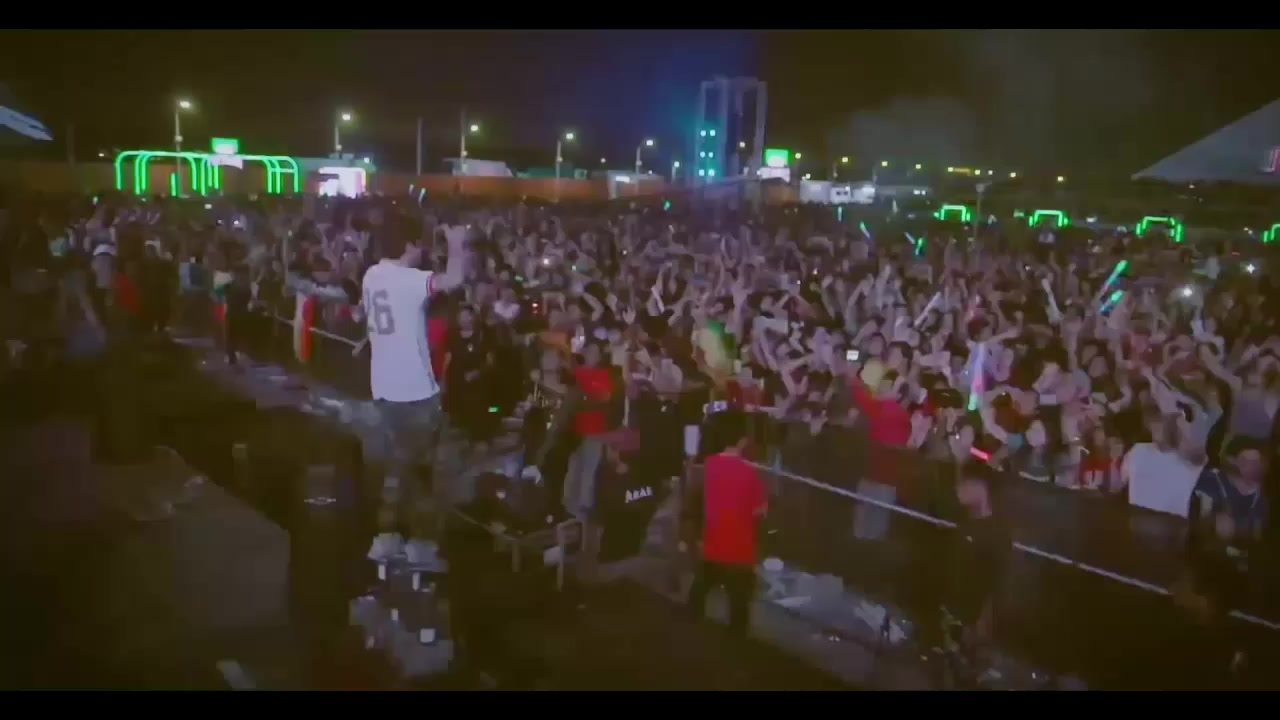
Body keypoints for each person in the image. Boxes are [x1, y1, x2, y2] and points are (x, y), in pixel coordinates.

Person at [362, 215, 468, 563]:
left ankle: (386, 538)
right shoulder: (409, 280)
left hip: (383, 390)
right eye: (419, 243)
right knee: (424, 472)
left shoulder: (371, 275)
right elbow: (454, 280)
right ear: (408, 244)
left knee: (396, 469)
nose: (422, 250)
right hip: (416, 393)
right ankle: (419, 546)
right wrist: (456, 244)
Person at [688, 408, 767, 636]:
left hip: (712, 544)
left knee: (699, 592)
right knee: (739, 608)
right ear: (742, 439)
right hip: (740, 550)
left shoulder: (707, 467)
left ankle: (688, 634)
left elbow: (697, 504)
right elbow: (759, 510)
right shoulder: (749, 473)